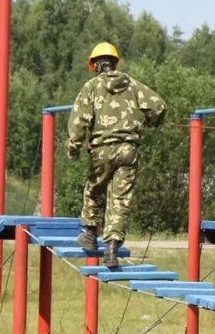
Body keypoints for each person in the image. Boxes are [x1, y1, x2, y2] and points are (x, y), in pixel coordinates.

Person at [67, 42, 166, 269]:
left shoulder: (91, 87)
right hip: (128, 151)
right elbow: (159, 106)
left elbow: (79, 121)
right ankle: (111, 250)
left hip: (101, 149)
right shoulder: (132, 85)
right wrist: (151, 122)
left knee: (94, 190)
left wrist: (73, 147)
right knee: (120, 201)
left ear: (95, 65)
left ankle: (90, 235)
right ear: (114, 63)